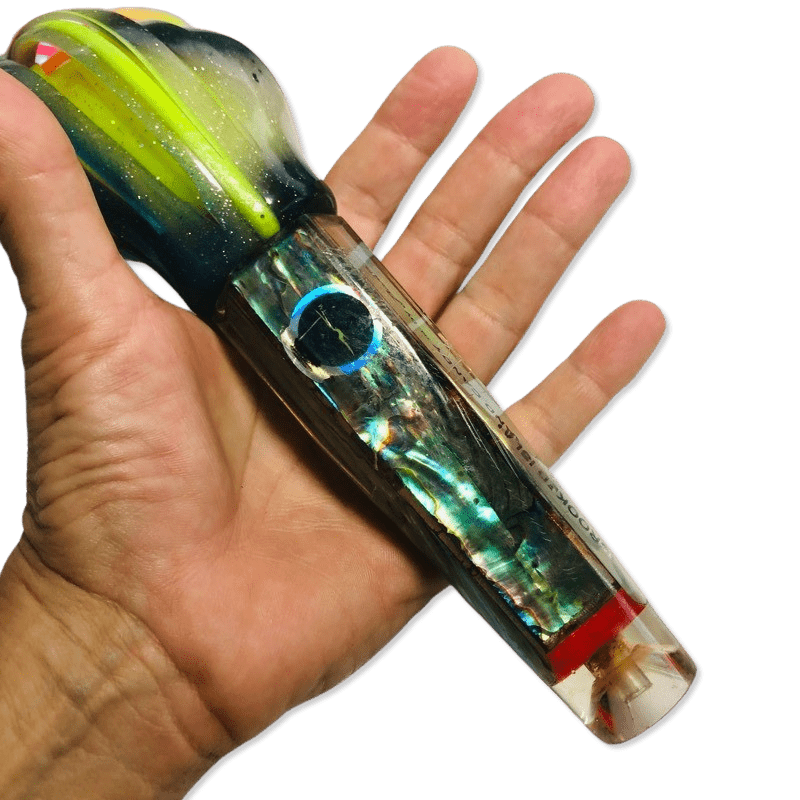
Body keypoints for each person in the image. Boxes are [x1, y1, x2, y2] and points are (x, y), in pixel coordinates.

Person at [0, 47, 666, 797]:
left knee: (483, 488)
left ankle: (597, 635)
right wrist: (105, 637)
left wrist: (101, 660)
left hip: (281, 253)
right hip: (251, 270)